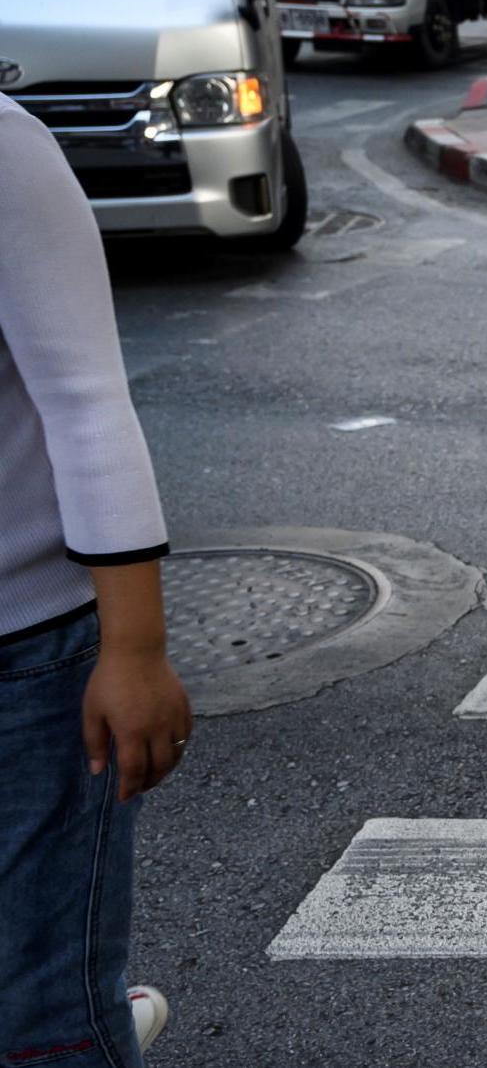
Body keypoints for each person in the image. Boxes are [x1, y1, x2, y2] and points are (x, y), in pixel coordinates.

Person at [0, 94, 192, 1065]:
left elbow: (86, 401)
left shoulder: (5, 150)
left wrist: (134, 647)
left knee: (40, 1009)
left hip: (30, 662)